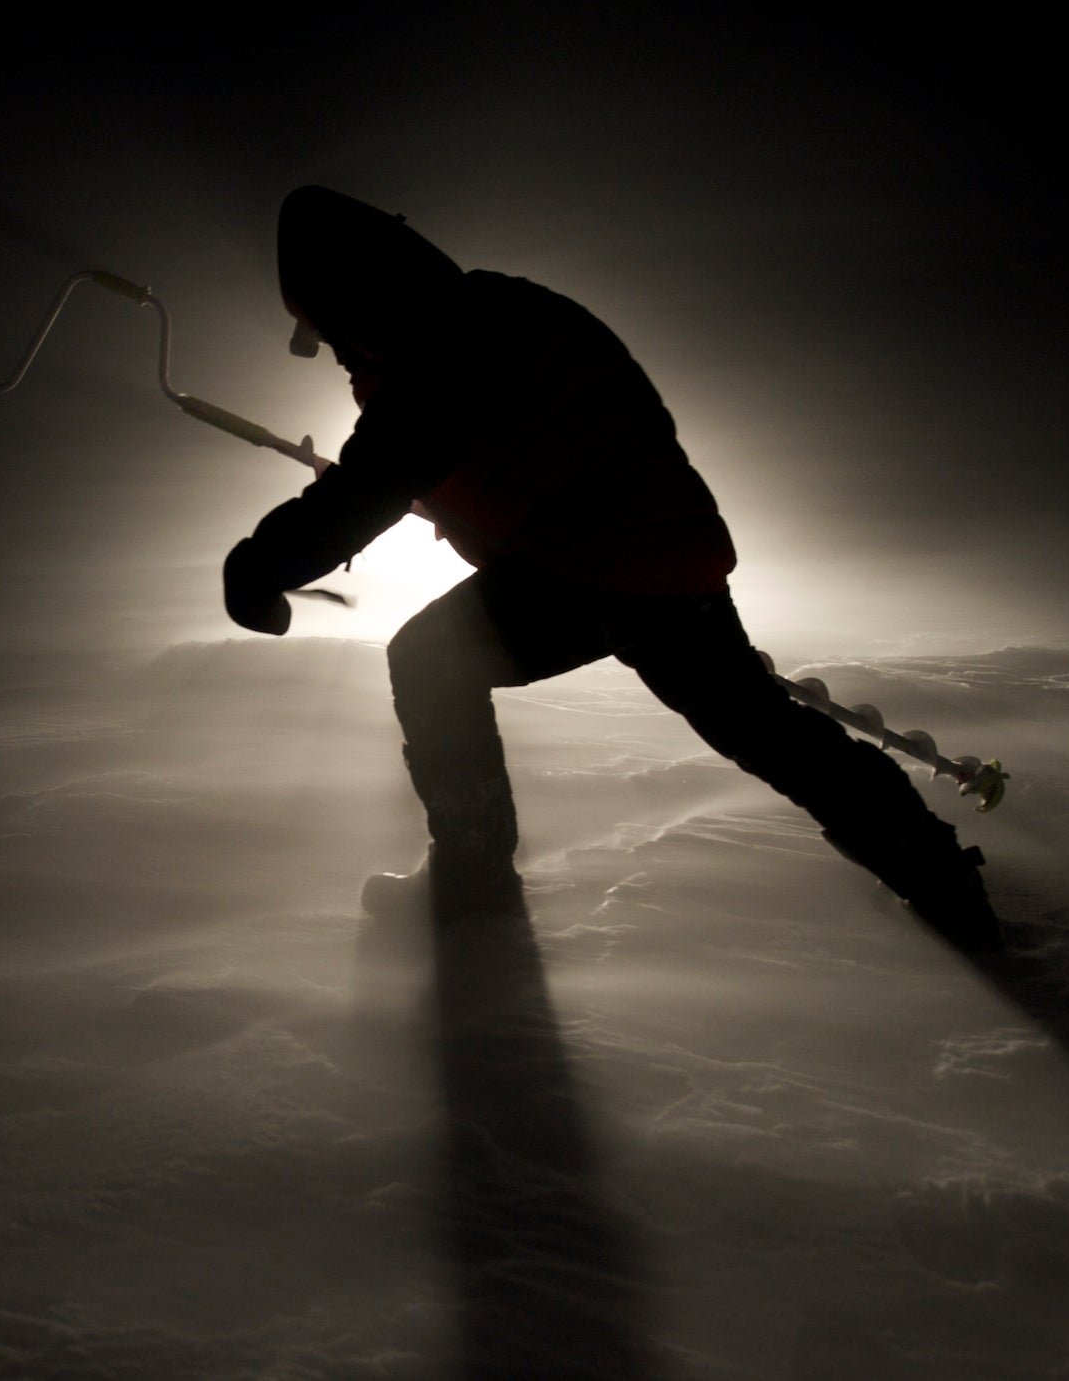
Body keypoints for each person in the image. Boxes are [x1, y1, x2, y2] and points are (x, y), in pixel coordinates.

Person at [223, 186, 1002, 952]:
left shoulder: (441, 340)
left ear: (353, 297)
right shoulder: (504, 309)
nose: (336, 355)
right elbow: (527, 444)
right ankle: (940, 877)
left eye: (329, 334)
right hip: (667, 552)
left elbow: (389, 465)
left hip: (590, 564)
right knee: (766, 729)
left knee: (431, 661)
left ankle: (474, 882)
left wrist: (263, 565)